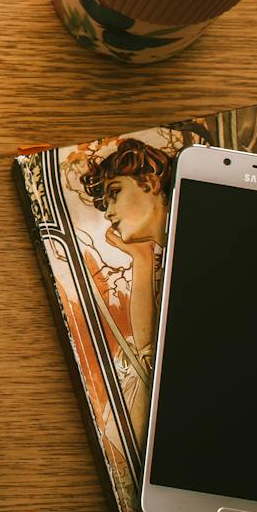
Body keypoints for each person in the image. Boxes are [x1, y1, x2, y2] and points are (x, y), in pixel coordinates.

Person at [80, 136, 175, 426]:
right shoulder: (159, 252)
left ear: (150, 183)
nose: (108, 213)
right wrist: (141, 259)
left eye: (115, 193)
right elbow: (148, 345)